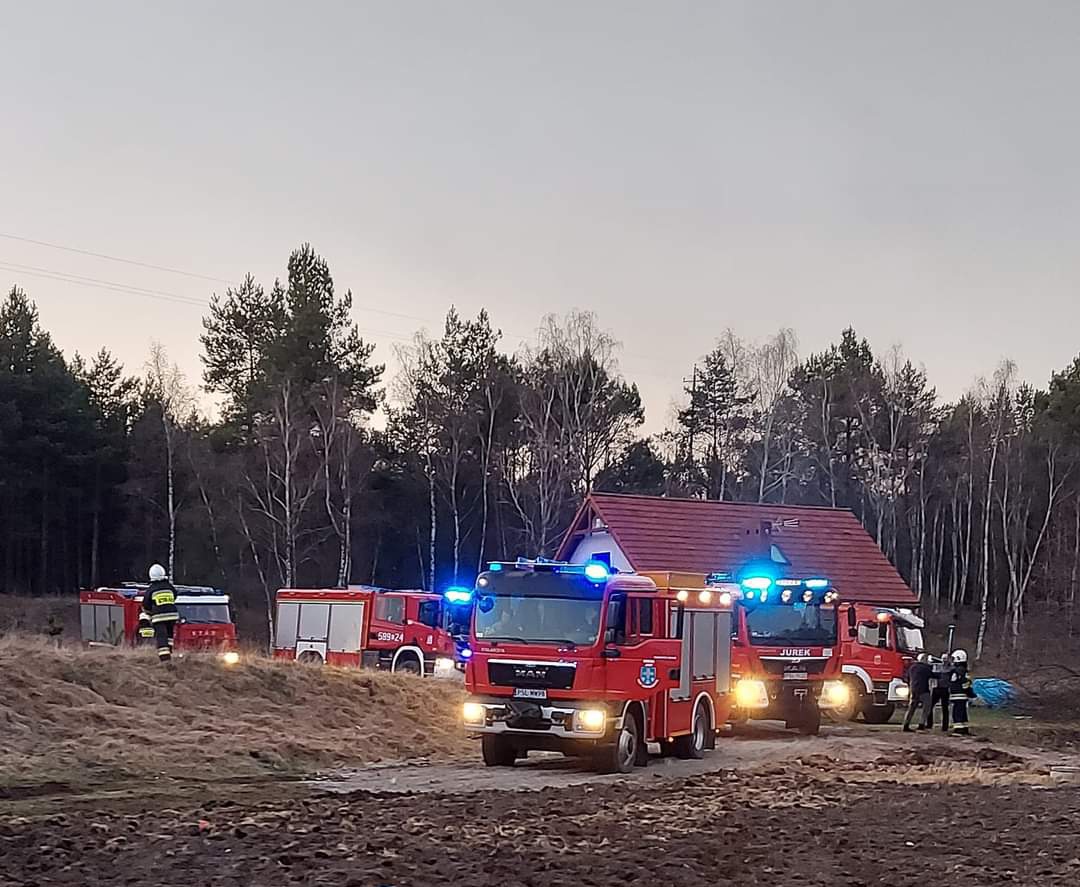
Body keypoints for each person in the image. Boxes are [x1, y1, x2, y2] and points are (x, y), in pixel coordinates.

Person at [141, 564, 179, 664]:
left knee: (161, 637)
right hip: (172, 616)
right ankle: (170, 651)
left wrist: (149, 612)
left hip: (159, 617)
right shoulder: (169, 587)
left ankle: (165, 660)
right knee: (169, 635)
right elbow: (175, 596)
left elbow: (146, 604)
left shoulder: (151, 589)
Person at [902, 653, 934, 732]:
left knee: (911, 708)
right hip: (924, 691)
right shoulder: (925, 668)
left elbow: (906, 677)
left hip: (913, 690)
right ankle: (921, 724)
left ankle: (906, 725)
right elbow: (933, 675)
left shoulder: (912, 667)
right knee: (927, 707)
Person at [949, 648, 975, 736]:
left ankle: (958, 730)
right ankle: (964, 729)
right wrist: (970, 693)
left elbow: (963, 683)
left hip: (957, 695)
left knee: (957, 713)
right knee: (963, 712)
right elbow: (967, 683)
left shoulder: (958, 671)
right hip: (962, 695)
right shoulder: (963, 670)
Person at [931, 653, 952, 733]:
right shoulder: (938, 666)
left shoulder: (951, 668)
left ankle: (945, 726)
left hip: (945, 689)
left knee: (945, 708)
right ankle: (929, 723)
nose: (944, 660)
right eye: (943, 658)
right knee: (930, 706)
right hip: (937, 688)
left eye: (946, 658)